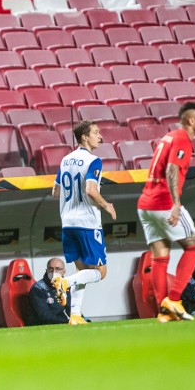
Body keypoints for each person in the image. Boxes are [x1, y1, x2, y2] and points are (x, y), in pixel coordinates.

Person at [137, 102, 195, 322]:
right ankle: (175, 298)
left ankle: (163, 309)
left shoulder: (169, 137)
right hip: (164, 202)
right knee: (194, 247)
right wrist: (176, 203)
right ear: (190, 120)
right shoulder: (182, 139)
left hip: (145, 203)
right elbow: (172, 169)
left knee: (160, 257)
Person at [51, 121, 117, 325]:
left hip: (67, 222)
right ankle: (64, 282)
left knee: (83, 272)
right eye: (96, 132)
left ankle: (75, 315)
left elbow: (55, 192)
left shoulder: (65, 160)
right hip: (87, 223)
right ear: (84, 138)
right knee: (100, 272)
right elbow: (90, 190)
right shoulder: (93, 161)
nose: (101, 136)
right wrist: (106, 205)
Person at [28, 258, 72, 326]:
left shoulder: (67, 286)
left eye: (58, 269)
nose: (54, 272)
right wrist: (67, 320)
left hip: (63, 322)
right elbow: (44, 316)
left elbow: (71, 308)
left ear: (64, 272)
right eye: (51, 269)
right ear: (47, 270)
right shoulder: (38, 288)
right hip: (42, 325)